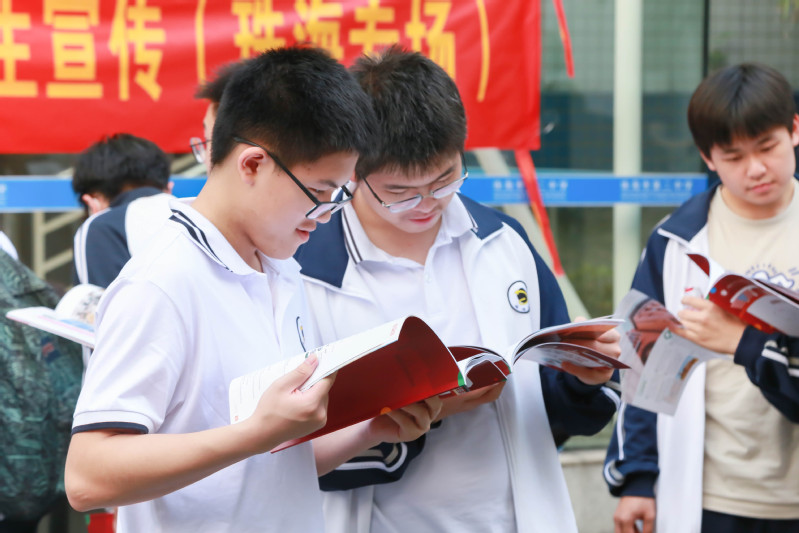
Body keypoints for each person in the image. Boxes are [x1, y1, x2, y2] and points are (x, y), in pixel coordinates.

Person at [65, 45, 440, 533]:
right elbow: (87, 477)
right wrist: (253, 433)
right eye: (319, 194)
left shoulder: (280, 268)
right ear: (252, 165)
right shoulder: (162, 283)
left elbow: (270, 467)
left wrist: (371, 429)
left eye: (337, 197)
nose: (325, 216)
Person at [294, 46, 621, 533]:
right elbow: (290, 451)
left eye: (445, 179)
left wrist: (585, 379)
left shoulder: (502, 242)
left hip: (511, 518)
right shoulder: (309, 272)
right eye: (400, 192)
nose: (427, 203)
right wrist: (423, 414)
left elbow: (551, 405)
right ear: (352, 172)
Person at [604, 63, 799, 533]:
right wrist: (638, 479)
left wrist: (739, 340)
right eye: (733, 156)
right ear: (708, 158)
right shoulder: (675, 241)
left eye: (767, 147)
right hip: (708, 493)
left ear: (795, 130)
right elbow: (641, 366)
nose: (756, 169)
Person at [71, 133, 173, 287]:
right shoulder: (197, 214)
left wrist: (96, 219)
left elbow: (98, 301)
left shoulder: (101, 227)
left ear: (93, 200)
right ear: (168, 188)